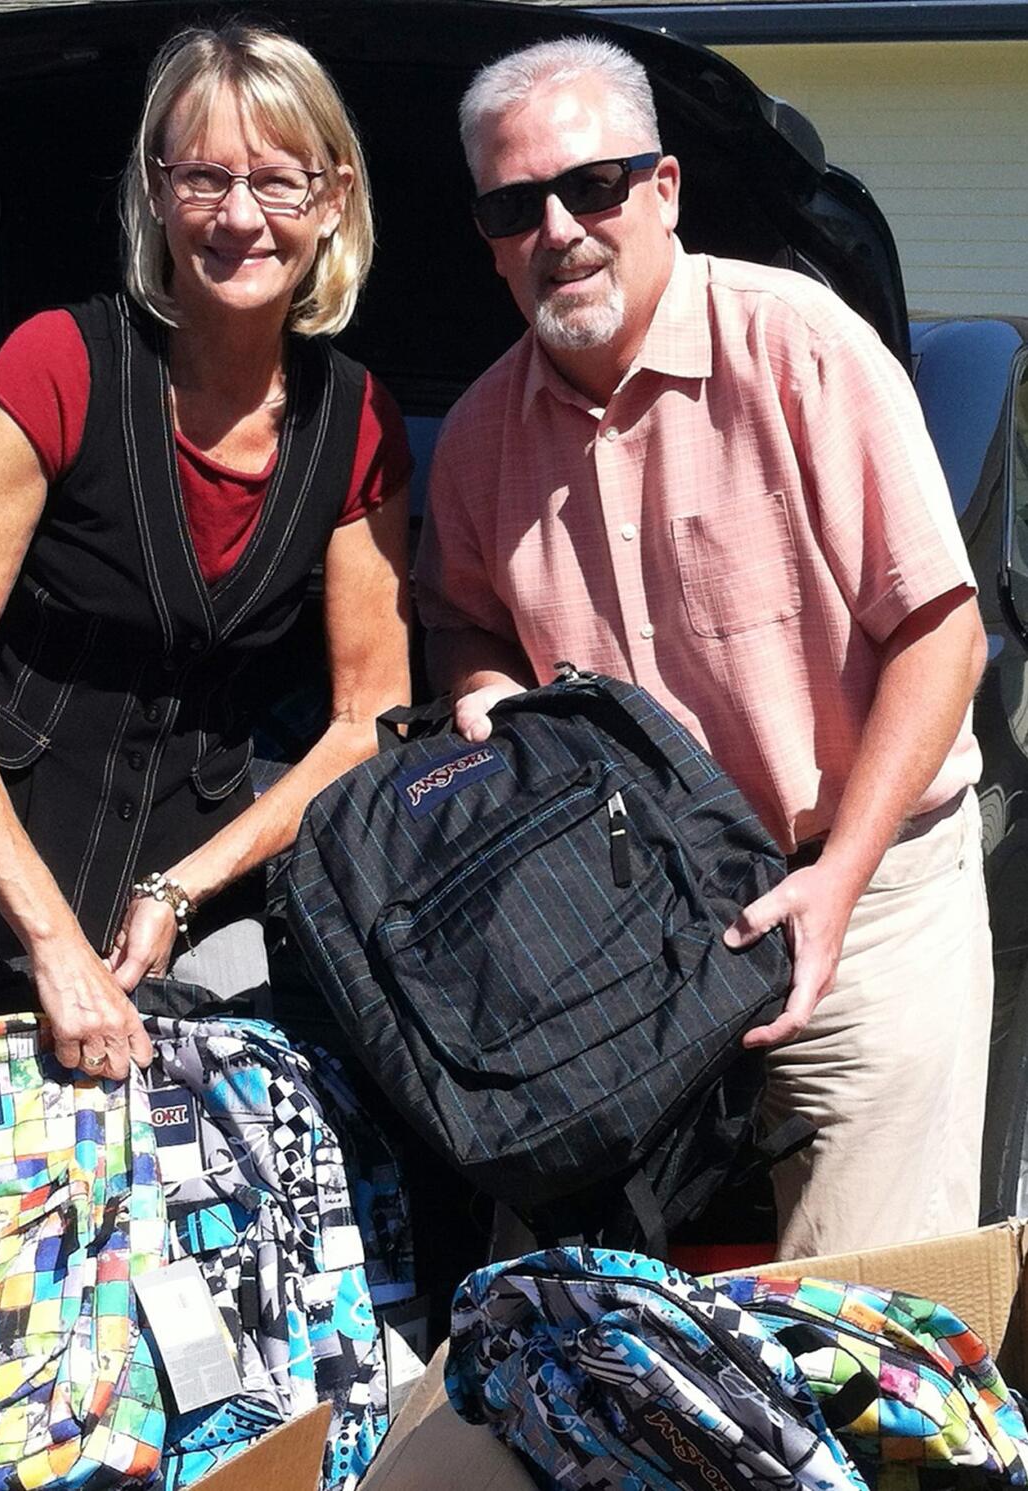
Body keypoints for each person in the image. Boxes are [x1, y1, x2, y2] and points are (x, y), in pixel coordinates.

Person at [414, 36, 991, 1257]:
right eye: (515, 206)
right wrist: (480, 685)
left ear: (662, 189)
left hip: (861, 897)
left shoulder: (800, 349)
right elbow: (457, 608)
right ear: (486, 236)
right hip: (624, 936)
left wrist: (833, 888)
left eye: (593, 186)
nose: (559, 228)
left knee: (863, 1326)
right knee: (611, 1338)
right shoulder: (474, 438)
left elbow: (942, 638)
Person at [0, 24, 411, 1083]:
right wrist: (54, 947)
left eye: (278, 182)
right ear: (156, 191)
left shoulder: (360, 423)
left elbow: (363, 724)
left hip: (191, 900)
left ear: (331, 201)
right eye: (205, 177)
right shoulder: (58, 364)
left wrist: (181, 889)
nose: (239, 216)